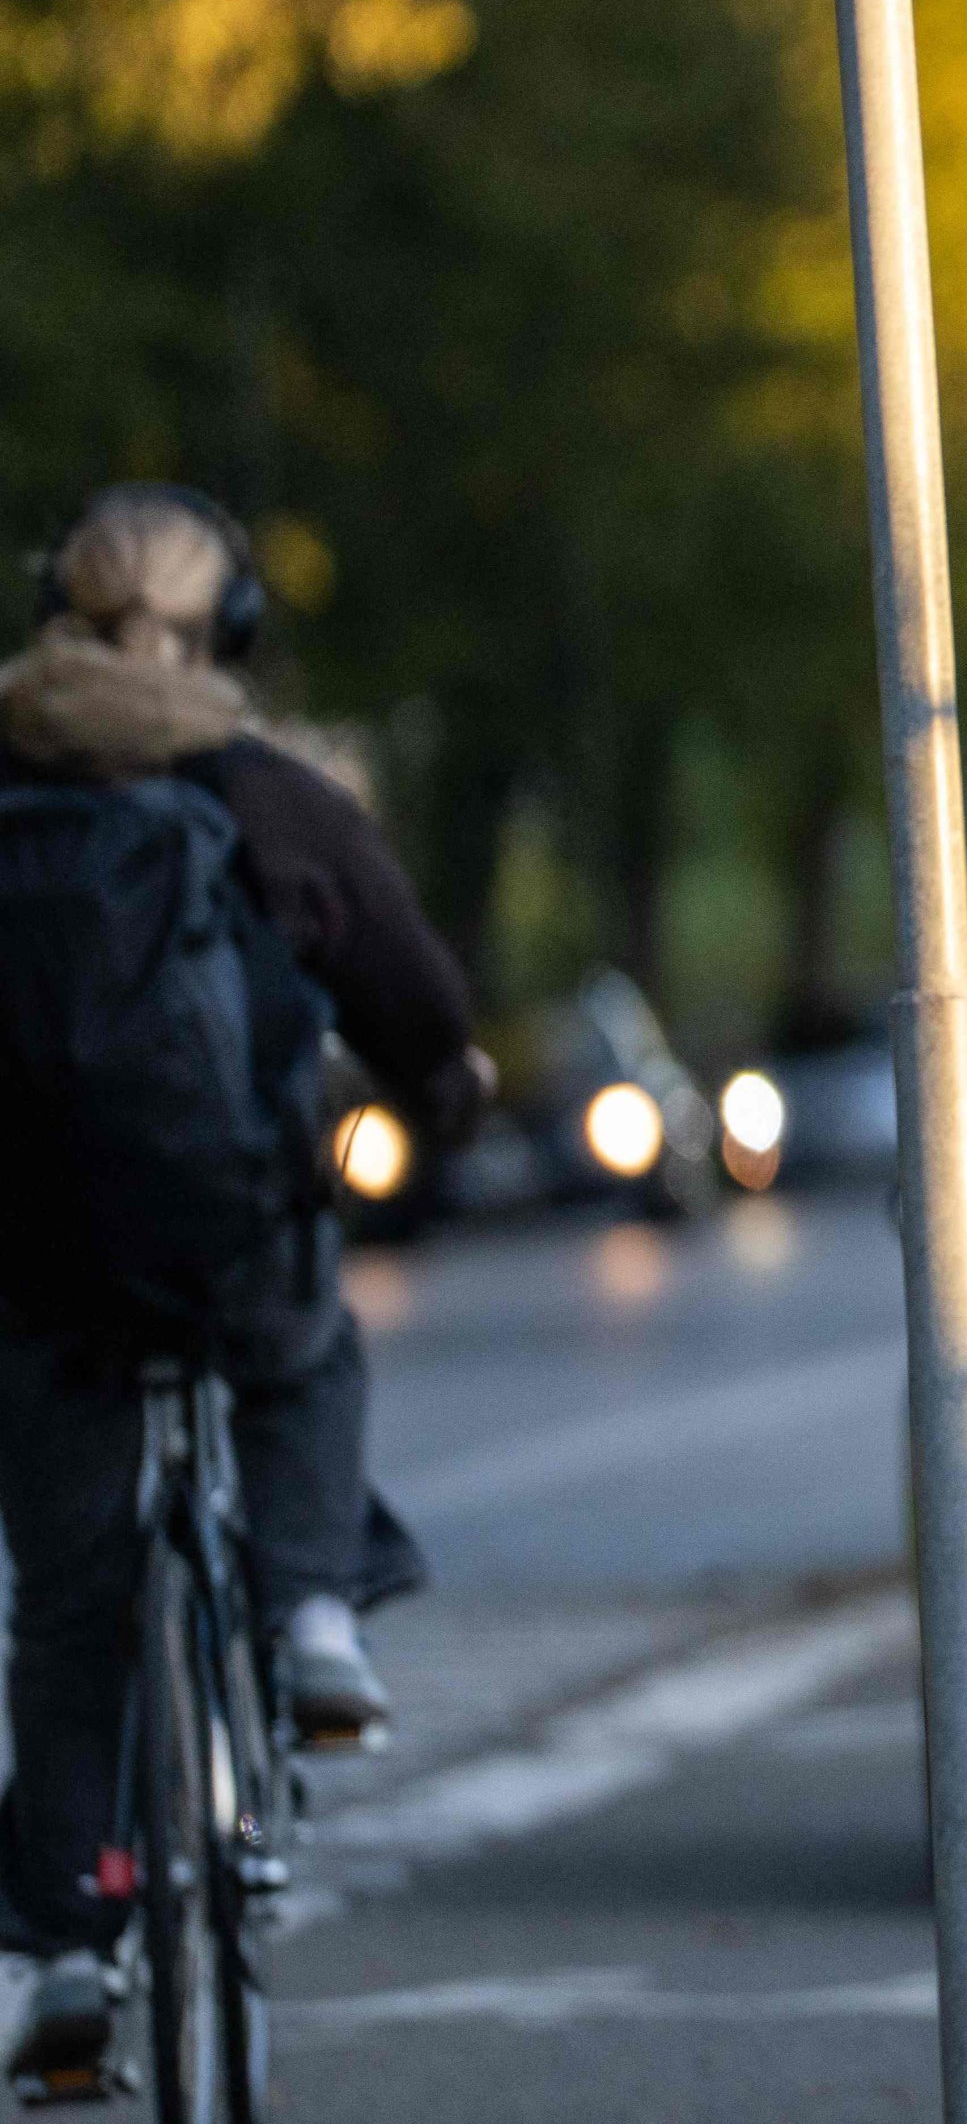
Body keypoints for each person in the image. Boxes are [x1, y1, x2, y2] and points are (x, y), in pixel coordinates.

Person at [0, 487, 485, 2092]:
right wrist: (443, 1095)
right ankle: (314, 1612)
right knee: (306, 1353)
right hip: (226, 1226)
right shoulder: (269, 797)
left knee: (69, 1605)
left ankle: (65, 1947)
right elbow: (415, 1003)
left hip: (39, 1264)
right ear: (238, 636)